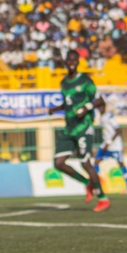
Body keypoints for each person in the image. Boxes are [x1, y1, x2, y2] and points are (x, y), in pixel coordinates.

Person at [47, 51, 110, 212]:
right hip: (69, 128)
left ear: (78, 61)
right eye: (69, 60)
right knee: (58, 163)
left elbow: (99, 100)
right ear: (65, 62)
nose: (71, 62)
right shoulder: (63, 83)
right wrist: (56, 109)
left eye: (74, 60)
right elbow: (69, 103)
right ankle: (87, 183)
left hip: (84, 127)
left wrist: (86, 107)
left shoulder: (86, 80)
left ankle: (102, 198)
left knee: (85, 163)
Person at [94, 102, 127, 193]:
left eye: (101, 107)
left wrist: (109, 142)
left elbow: (118, 130)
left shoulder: (109, 116)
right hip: (106, 144)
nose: (100, 109)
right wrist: (106, 143)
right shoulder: (101, 118)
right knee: (96, 161)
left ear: (104, 107)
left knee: (121, 163)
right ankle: (96, 187)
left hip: (115, 146)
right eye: (98, 108)